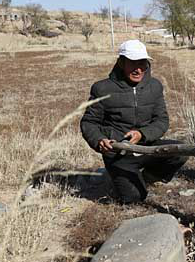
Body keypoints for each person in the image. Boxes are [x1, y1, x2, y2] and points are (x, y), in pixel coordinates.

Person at [80, 40, 187, 204]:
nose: (138, 69)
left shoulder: (155, 86)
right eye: (133, 63)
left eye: (142, 63)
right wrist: (99, 140)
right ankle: (124, 179)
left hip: (147, 147)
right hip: (119, 154)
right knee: (134, 198)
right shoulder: (102, 89)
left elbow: (162, 120)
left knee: (181, 152)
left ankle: (147, 177)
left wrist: (142, 134)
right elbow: (89, 123)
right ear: (121, 63)